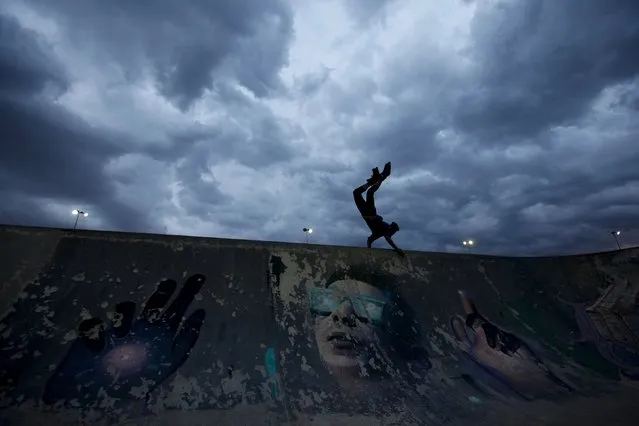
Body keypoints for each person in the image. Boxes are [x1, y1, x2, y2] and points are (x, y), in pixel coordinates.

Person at [353, 162, 405, 257]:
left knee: (356, 192)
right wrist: (397, 250)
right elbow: (378, 239)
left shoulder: (384, 232)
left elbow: (370, 240)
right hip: (370, 212)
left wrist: (369, 252)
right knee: (370, 193)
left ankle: (373, 181)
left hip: (364, 213)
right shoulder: (384, 229)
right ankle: (381, 177)